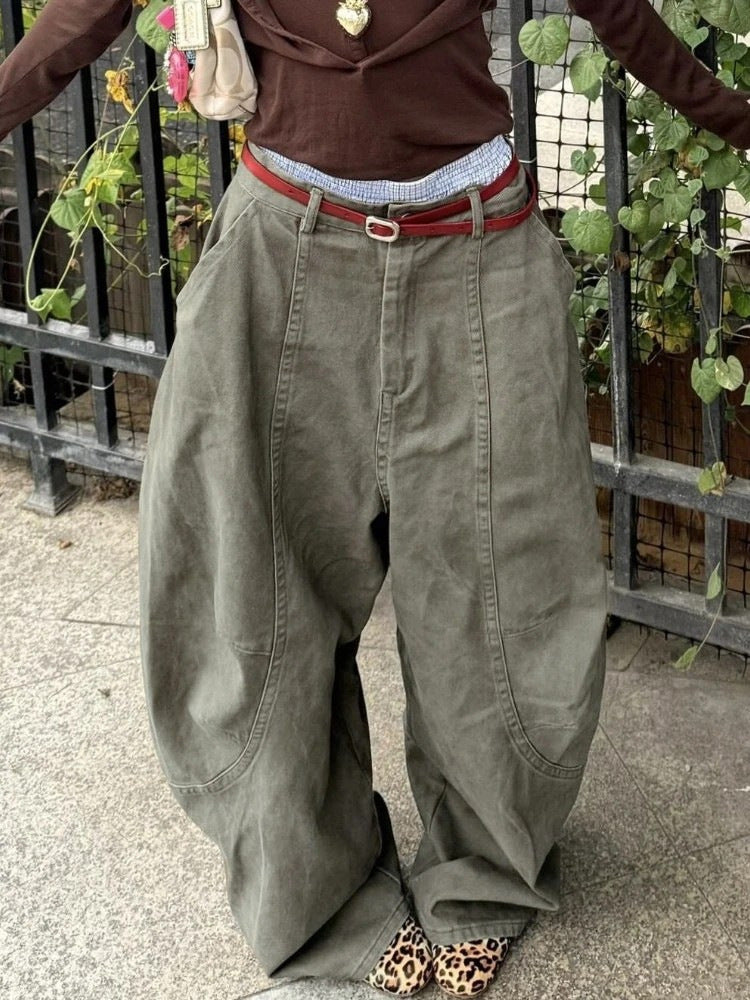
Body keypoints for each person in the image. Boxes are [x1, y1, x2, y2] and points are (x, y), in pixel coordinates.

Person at [2, 1, 749, 996]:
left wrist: (736, 119)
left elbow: (618, 11)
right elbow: (81, 16)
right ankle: (319, 903)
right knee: (257, 601)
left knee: (499, 596)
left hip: (481, 255)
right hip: (282, 258)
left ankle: (485, 875)